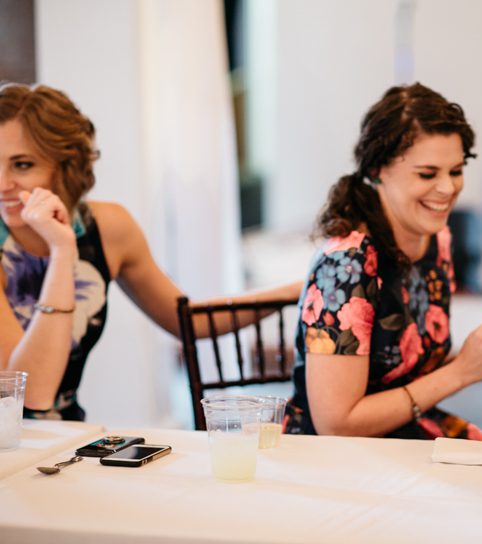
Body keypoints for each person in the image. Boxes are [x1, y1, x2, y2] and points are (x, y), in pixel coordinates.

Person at [0, 83, 300, 421]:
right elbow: (28, 395)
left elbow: (187, 322)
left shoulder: (108, 228)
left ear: (64, 165)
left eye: (22, 164)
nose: (2, 183)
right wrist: (61, 250)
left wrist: (294, 290)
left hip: (67, 436)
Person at [285, 83, 482, 440]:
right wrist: (460, 371)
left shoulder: (437, 240)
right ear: (378, 169)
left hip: (400, 431)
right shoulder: (346, 265)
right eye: (427, 174)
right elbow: (336, 425)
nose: (448, 188)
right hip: (336, 453)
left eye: (456, 170)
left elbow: (406, 375)